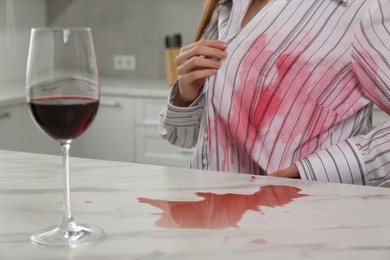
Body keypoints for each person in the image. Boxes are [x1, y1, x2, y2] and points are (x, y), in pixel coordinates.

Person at [159, 0, 390, 187]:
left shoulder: (364, 8)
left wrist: (318, 171)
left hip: (301, 218)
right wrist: (185, 95)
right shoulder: (225, 7)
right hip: (210, 216)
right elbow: (181, 138)